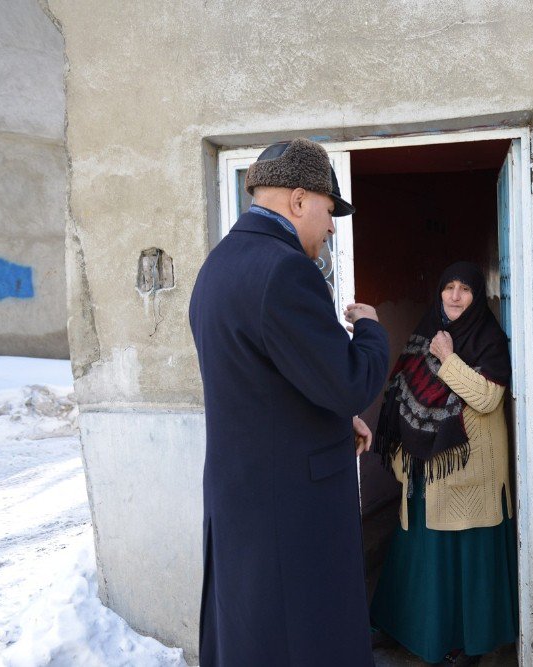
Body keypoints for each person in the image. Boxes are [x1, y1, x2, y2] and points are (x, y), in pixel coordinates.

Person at [189, 138, 390, 666]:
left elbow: (262, 383)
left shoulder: (219, 266)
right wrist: (369, 331)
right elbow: (349, 381)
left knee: (253, 638)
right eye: (328, 212)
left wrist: (332, 417)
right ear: (299, 200)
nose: (330, 228)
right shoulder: (284, 270)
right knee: (304, 642)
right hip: (291, 515)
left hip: (245, 502)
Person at [370, 261, 518, 666]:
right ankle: (403, 629)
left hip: (468, 476)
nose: (454, 296)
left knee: (466, 562)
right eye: (448, 287)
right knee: (418, 558)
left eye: (464, 289)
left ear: (477, 296)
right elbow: (401, 391)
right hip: (423, 473)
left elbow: (487, 399)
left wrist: (449, 359)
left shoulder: (489, 339)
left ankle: (472, 643)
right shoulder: (425, 333)